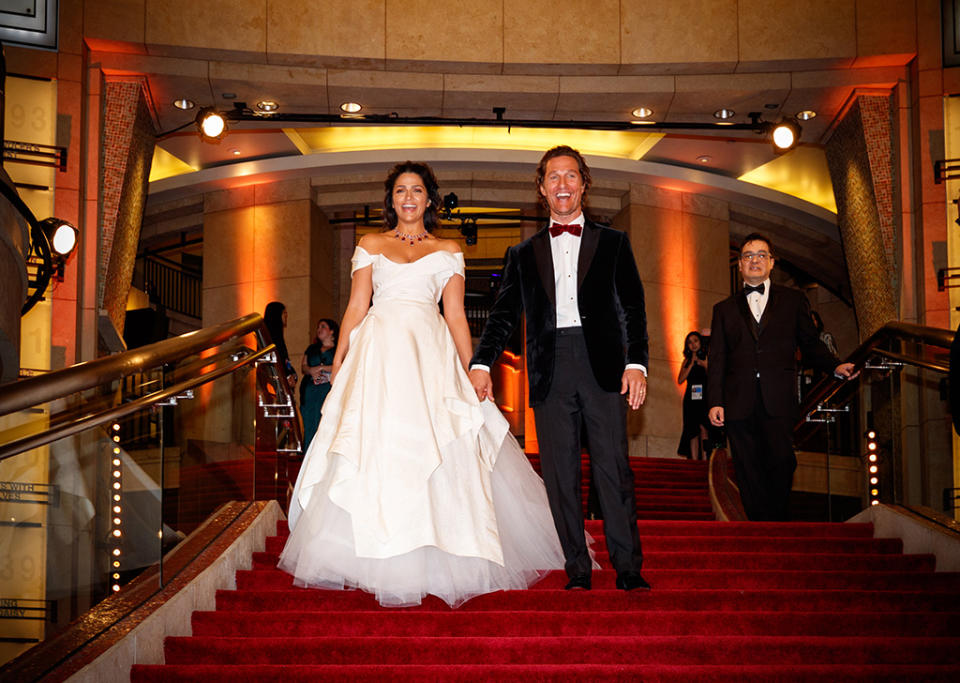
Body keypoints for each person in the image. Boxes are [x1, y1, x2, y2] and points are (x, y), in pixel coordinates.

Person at [278, 161, 566, 607]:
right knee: (380, 445)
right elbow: (356, 307)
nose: (408, 197)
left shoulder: (449, 249)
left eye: (416, 190)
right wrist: (339, 363)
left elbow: (454, 315)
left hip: (430, 355)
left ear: (429, 199)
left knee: (438, 445)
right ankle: (375, 551)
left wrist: (475, 366)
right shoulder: (370, 243)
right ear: (390, 200)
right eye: (399, 190)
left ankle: (441, 548)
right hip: (380, 354)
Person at [470, 145, 650, 592]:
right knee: (559, 474)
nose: (563, 185)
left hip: (605, 367)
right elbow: (502, 316)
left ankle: (628, 568)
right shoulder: (524, 252)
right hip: (550, 369)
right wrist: (480, 362)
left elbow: (633, 307)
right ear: (541, 188)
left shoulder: (614, 243)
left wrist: (636, 363)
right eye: (554, 177)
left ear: (584, 184)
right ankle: (578, 570)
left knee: (613, 468)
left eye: (571, 176)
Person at [707, 233, 856, 521]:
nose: (755, 260)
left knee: (781, 461)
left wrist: (835, 366)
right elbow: (717, 360)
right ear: (739, 265)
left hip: (779, 399)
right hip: (738, 401)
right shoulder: (723, 310)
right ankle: (760, 526)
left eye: (761, 255)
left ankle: (774, 518)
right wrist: (715, 400)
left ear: (772, 262)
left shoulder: (794, 300)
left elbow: (810, 345)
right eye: (748, 255)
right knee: (747, 466)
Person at [299, 318, 338, 453]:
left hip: (328, 391)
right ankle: (307, 455)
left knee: (325, 424)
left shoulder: (339, 349)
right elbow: (304, 366)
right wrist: (311, 370)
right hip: (310, 392)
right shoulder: (311, 348)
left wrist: (323, 368)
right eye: (318, 327)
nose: (319, 329)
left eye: (323, 326)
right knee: (309, 424)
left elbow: (344, 365)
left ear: (332, 331)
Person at [677, 331, 709, 459]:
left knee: (704, 428)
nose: (693, 344)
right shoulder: (686, 361)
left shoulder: (706, 356)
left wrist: (703, 364)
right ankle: (694, 461)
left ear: (700, 342)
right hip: (691, 399)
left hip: (704, 398)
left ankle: (706, 459)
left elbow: (713, 375)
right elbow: (680, 380)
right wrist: (691, 364)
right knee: (692, 430)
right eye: (690, 342)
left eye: (695, 341)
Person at [263, 301, 297, 389]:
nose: (286, 316)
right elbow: (279, 360)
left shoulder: (277, 336)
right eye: (284, 313)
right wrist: (288, 375)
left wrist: (292, 374)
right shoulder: (270, 338)